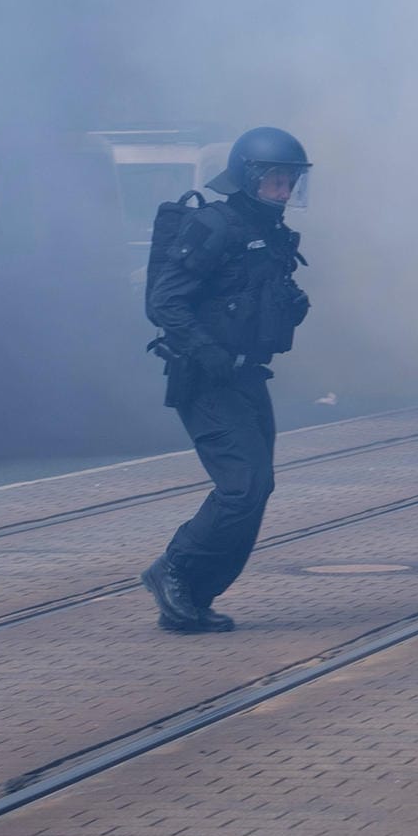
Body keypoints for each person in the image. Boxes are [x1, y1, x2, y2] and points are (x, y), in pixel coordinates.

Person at [139, 126, 313, 634]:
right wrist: (205, 349)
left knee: (257, 488)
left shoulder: (272, 233)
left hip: (248, 376)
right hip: (207, 380)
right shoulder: (216, 225)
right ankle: (173, 568)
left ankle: (191, 598)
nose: (283, 192)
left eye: (290, 183)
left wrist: (291, 307)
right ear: (248, 178)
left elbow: (254, 296)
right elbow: (165, 300)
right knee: (243, 487)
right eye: (275, 181)